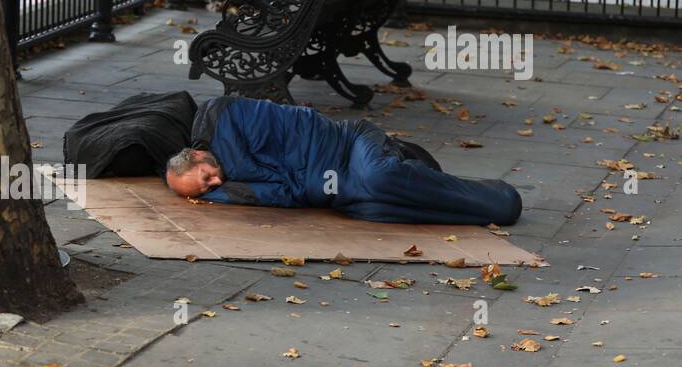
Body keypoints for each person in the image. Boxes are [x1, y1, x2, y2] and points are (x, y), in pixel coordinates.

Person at [164, 96, 522, 226]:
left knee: (381, 178)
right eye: (206, 190)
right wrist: (216, 194)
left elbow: (278, 179)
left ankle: (500, 199)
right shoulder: (228, 179)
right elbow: (284, 193)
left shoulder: (221, 117)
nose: (215, 184)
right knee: (373, 208)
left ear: (196, 154)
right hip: (334, 180)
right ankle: (479, 210)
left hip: (348, 142)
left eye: (206, 176)